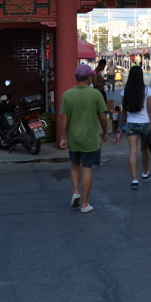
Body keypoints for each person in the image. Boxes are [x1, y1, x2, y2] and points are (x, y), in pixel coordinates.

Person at [59, 63, 109, 214]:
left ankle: (75, 192)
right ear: (88, 77)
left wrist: (63, 137)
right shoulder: (95, 94)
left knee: (74, 165)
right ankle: (85, 204)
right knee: (87, 169)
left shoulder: (67, 94)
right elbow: (103, 117)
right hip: (90, 138)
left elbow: (64, 119)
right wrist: (105, 132)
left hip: (73, 138)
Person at [115, 65, 151, 189]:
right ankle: (145, 173)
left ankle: (134, 180)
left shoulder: (125, 91)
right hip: (145, 123)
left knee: (133, 151)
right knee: (144, 150)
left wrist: (120, 126)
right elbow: (150, 110)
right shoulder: (147, 90)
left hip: (131, 123)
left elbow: (124, 111)